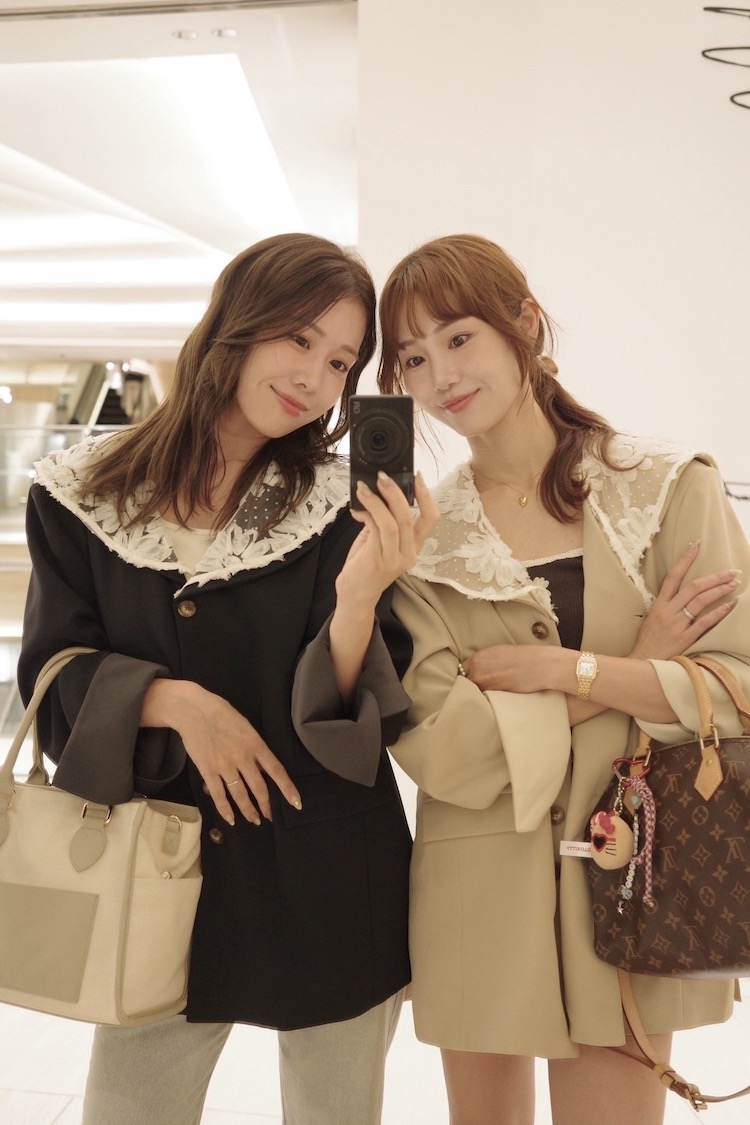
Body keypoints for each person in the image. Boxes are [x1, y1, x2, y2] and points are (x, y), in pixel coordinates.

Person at [17, 232, 437, 1125]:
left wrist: (360, 596)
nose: (315, 378)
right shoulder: (79, 493)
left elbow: (362, 721)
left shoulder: (343, 505)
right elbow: (52, 685)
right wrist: (174, 701)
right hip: (156, 876)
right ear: (236, 320)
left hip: (328, 870)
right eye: (298, 338)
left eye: (340, 361)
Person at [376, 232, 750, 1125]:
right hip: (477, 886)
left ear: (526, 325)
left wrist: (563, 670)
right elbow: (443, 744)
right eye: (414, 357)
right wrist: (630, 673)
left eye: (459, 337)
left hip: (635, 879)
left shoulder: (667, 488)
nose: (441, 376)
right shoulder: (423, 542)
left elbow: (737, 685)